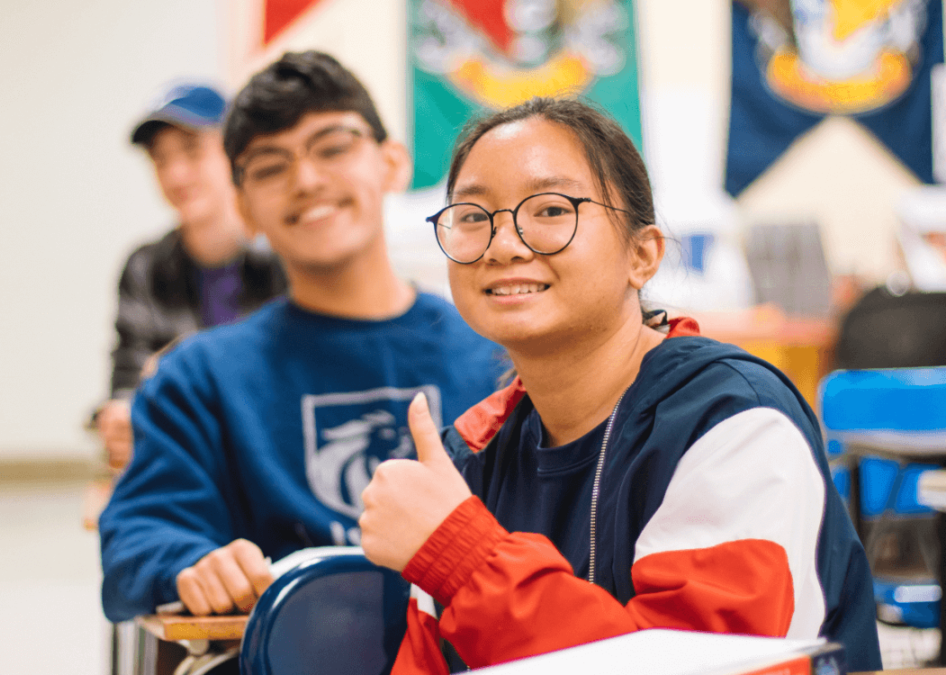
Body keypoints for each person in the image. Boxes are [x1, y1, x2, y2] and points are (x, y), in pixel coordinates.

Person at [358, 97, 882, 673]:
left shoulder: (733, 422)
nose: (504, 245)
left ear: (642, 255)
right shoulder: (469, 455)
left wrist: (459, 555)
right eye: (474, 218)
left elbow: (701, 665)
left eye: (552, 210)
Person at [98, 51, 505, 623]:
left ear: (392, 163)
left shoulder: (499, 353)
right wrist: (194, 564)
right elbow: (138, 535)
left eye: (333, 147)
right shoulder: (200, 378)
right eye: (269, 166)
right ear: (244, 207)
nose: (307, 180)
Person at [95, 83, 286, 470]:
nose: (176, 174)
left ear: (236, 155)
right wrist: (119, 415)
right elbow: (130, 373)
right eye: (160, 160)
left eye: (192, 151)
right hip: (183, 466)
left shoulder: (286, 259)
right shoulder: (143, 267)